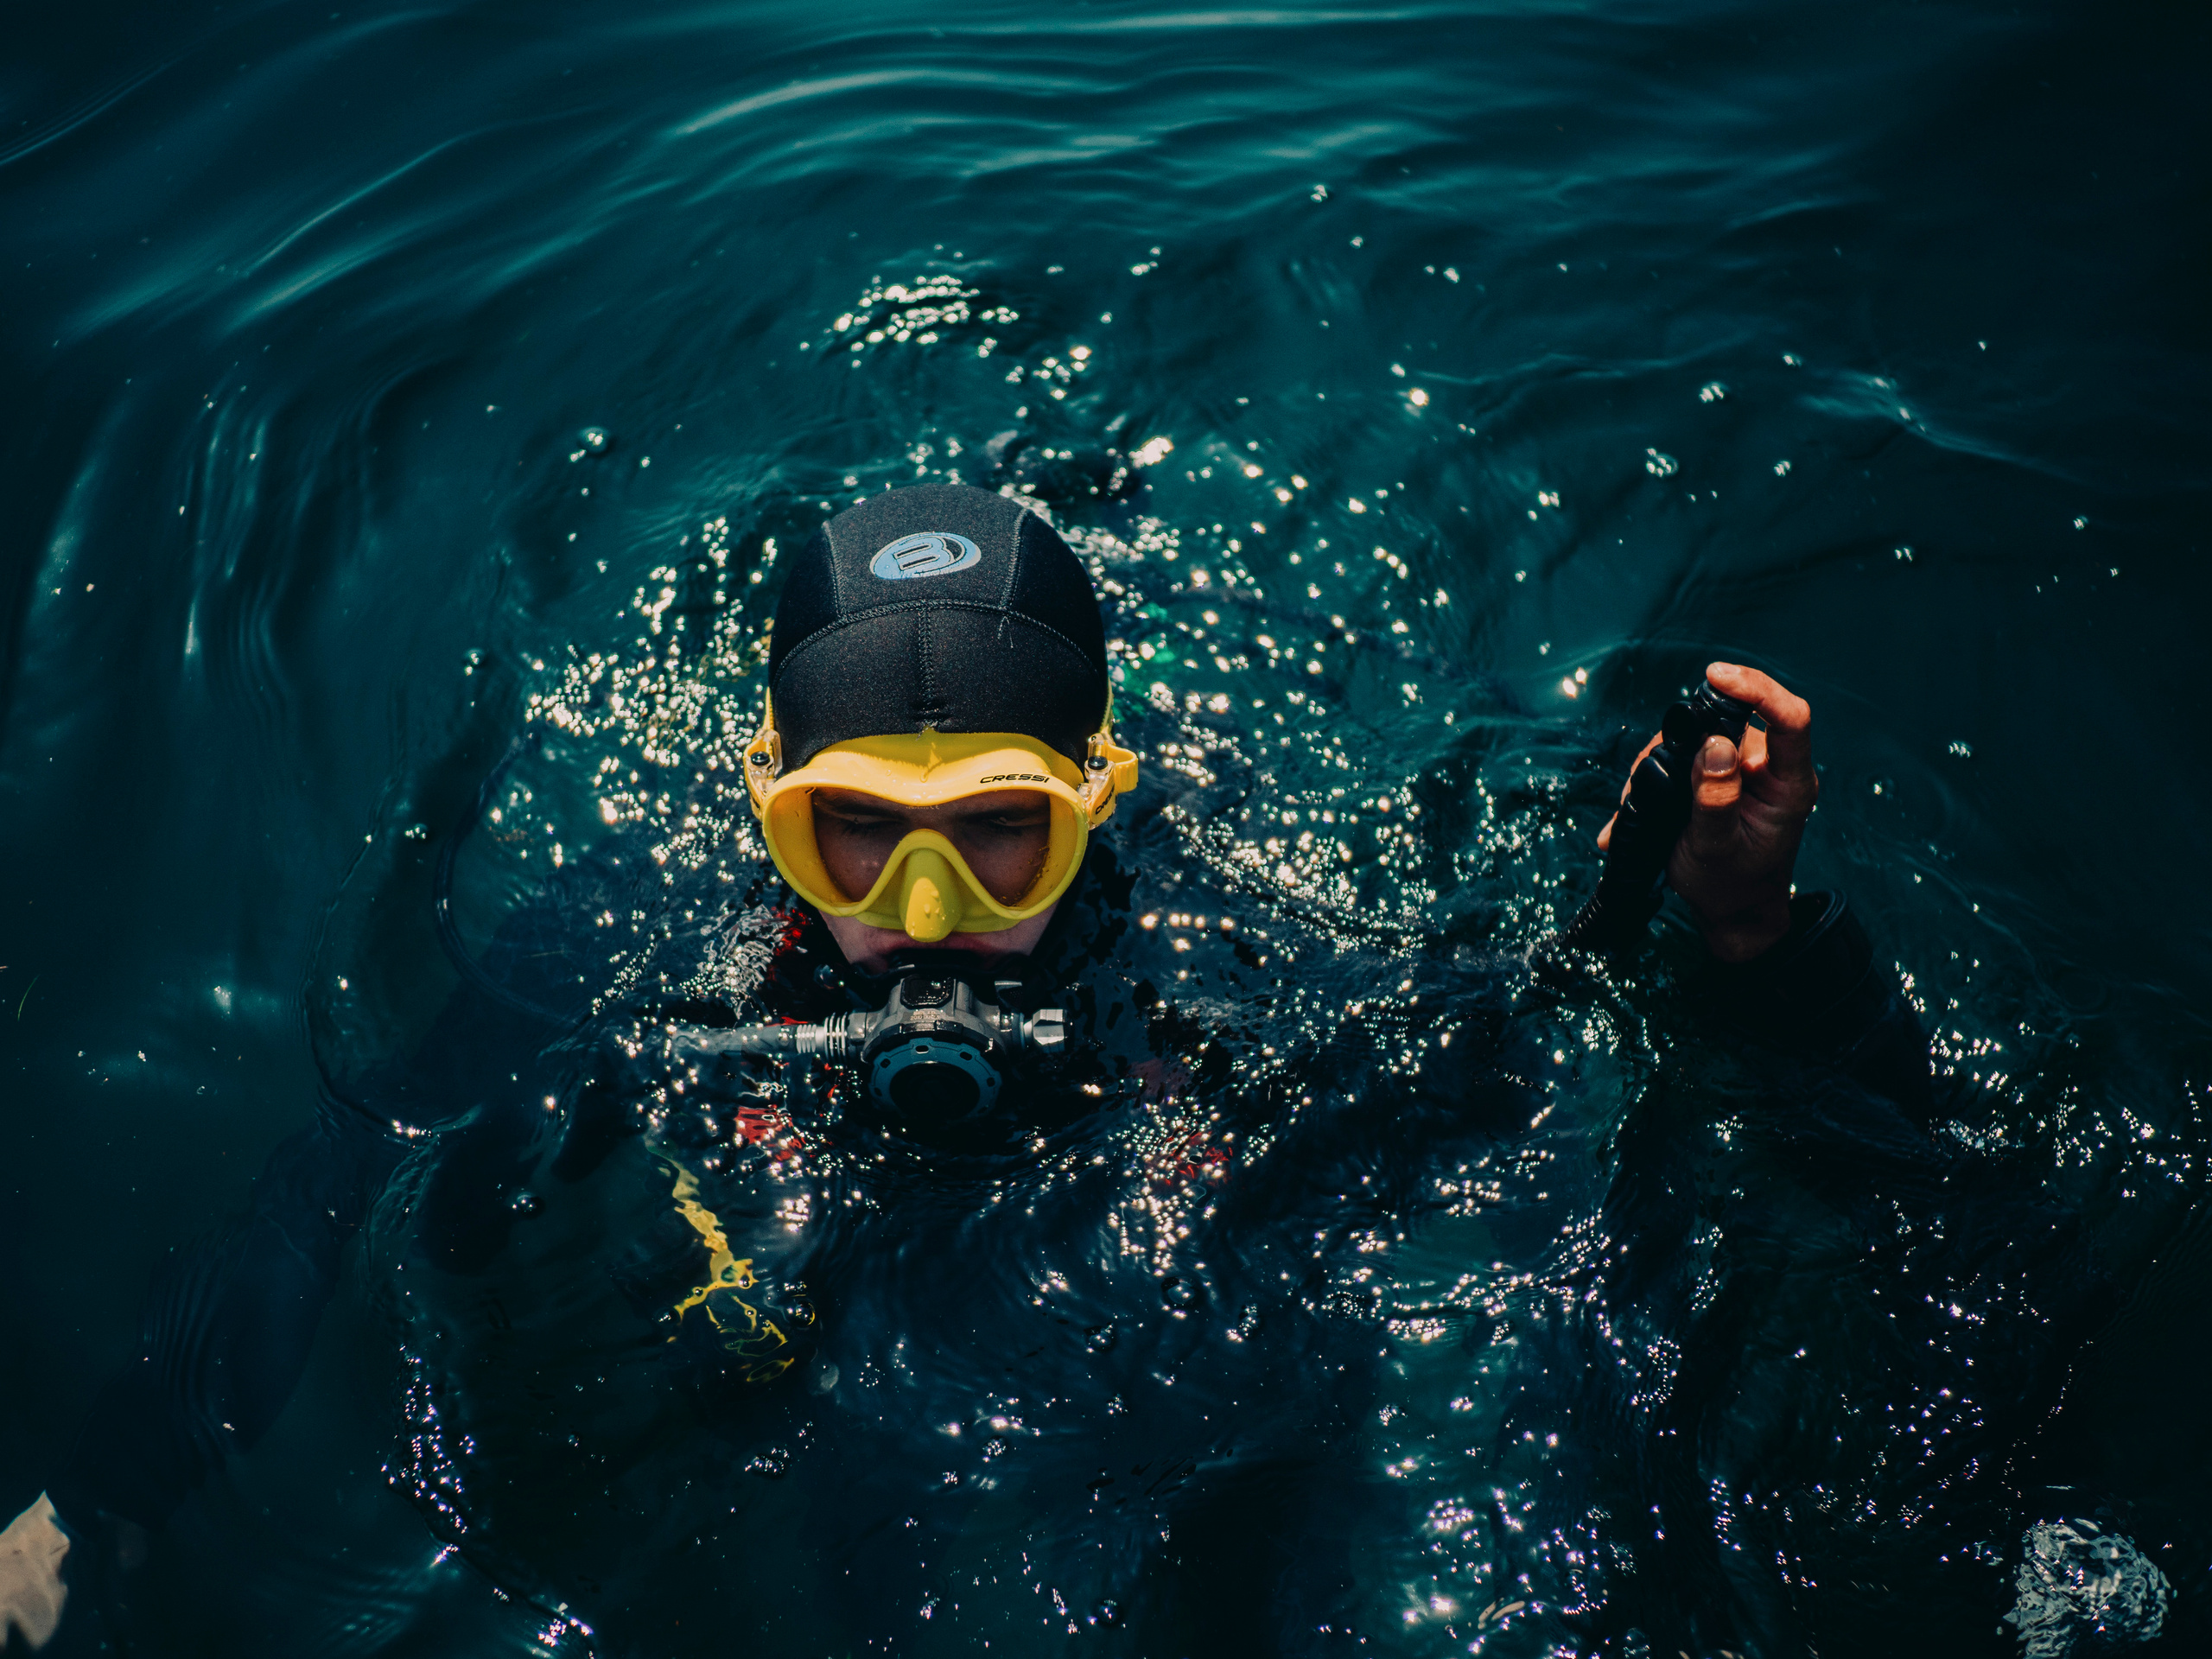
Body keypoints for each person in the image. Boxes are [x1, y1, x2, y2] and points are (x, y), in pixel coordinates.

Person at [0, 482, 1910, 1650]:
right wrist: (95, 1499)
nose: (918, 911)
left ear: (1100, 809)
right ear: (765, 814)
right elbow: (338, 1172)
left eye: (998, 836)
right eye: (851, 839)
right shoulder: (626, 922)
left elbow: (1543, 1075)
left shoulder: (1230, 932)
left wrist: (1740, 934)